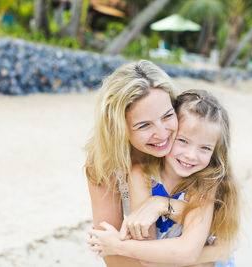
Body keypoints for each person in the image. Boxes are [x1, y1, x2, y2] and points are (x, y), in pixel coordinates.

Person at [85, 61, 230, 266]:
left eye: (168, 115)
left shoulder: (190, 151)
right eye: (144, 125)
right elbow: (111, 253)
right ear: (118, 127)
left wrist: (162, 205)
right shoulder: (109, 164)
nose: (163, 135)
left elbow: (224, 243)